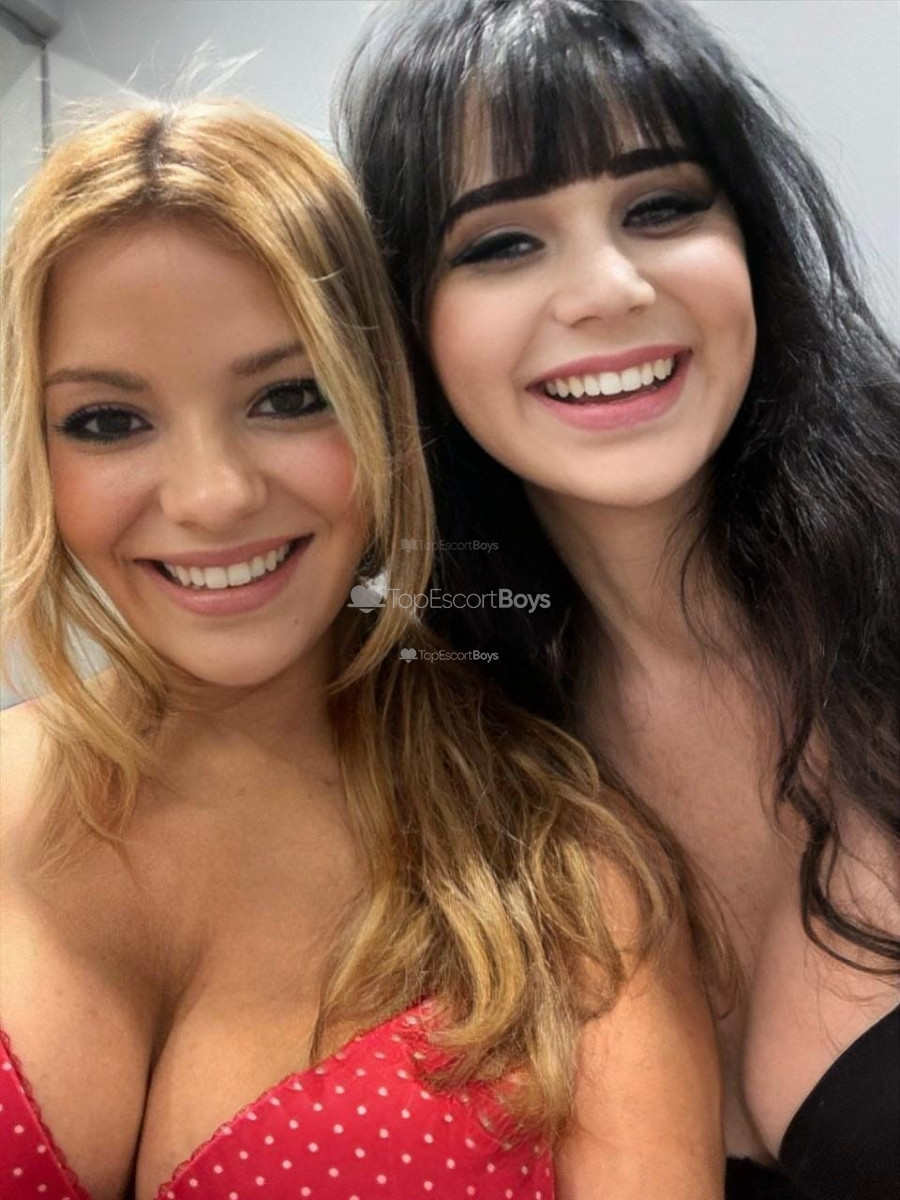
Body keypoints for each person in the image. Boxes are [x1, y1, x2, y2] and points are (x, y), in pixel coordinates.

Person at [0, 97, 722, 1199]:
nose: (211, 496)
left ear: (385, 411)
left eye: (291, 398)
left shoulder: (572, 889)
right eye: (107, 421)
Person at [337, 1, 900, 1197]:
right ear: (402, 323)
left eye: (661, 207)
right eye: (501, 242)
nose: (608, 288)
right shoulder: (433, 747)